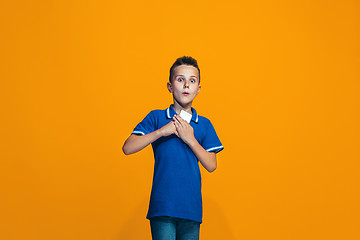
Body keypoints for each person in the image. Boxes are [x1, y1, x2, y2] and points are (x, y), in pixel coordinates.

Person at [122, 56, 224, 240]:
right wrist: (161, 132)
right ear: (170, 86)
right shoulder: (156, 117)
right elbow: (128, 147)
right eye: (180, 79)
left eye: (192, 81)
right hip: (162, 206)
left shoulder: (204, 124)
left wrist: (190, 139)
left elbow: (211, 164)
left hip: (191, 208)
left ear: (198, 89)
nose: (186, 85)